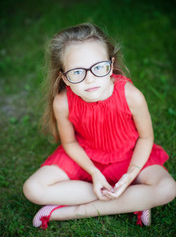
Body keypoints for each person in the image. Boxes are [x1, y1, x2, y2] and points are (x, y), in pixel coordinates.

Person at [23, 23, 176, 230]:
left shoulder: (132, 96)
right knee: (33, 189)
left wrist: (132, 173)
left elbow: (146, 138)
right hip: (85, 156)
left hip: (129, 155)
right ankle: (135, 199)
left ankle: (68, 212)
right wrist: (94, 173)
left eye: (98, 67)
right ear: (64, 78)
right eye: (77, 72)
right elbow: (69, 142)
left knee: (168, 188)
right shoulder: (63, 102)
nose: (90, 78)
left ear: (110, 66)